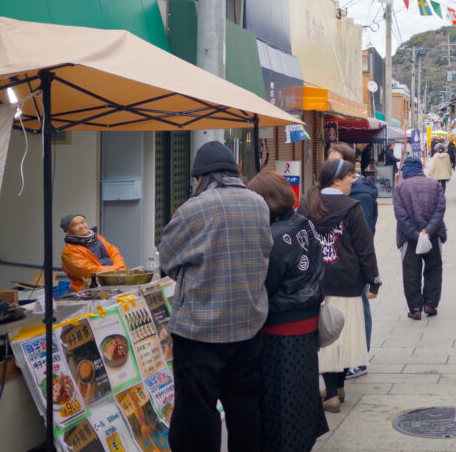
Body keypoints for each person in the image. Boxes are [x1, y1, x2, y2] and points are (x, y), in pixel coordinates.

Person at [159, 141, 273, 452]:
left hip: (200, 333)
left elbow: (166, 261)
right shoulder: (258, 204)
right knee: (245, 410)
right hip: (249, 327)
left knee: (197, 415)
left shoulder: (193, 209)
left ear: (203, 177)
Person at [247, 172, 329, 452]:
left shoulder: (273, 238)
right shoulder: (303, 224)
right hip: (307, 324)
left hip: (280, 329)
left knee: (279, 400)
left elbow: (264, 286)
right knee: (301, 393)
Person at [298, 159, 381, 413]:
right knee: (342, 336)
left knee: (325, 337)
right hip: (347, 281)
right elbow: (364, 248)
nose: (352, 181)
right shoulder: (351, 207)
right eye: (349, 177)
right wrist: (374, 280)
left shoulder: (307, 205)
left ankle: (335, 389)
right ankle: (335, 392)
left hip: (316, 282)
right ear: (336, 179)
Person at [327, 143, 377, 380]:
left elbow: (364, 239)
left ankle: (358, 358)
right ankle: (341, 362)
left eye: (333, 161)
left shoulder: (360, 198)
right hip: (336, 270)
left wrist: (370, 277)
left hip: (352, 269)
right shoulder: (323, 200)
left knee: (359, 311)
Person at [393, 156, 447, 320]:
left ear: (407, 170)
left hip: (410, 239)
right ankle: (430, 304)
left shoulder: (400, 188)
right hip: (433, 236)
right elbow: (440, 210)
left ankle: (415, 308)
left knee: (411, 272)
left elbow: (400, 216)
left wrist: (416, 234)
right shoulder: (435, 185)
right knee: (434, 269)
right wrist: (428, 231)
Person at [60, 213, 127, 292]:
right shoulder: (69, 252)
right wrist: (117, 270)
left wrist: (119, 267)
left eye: (83, 222)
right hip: (89, 290)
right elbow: (90, 271)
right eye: (75, 225)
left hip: (113, 281)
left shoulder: (99, 238)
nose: (82, 226)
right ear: (67, 231)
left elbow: (115, 254)